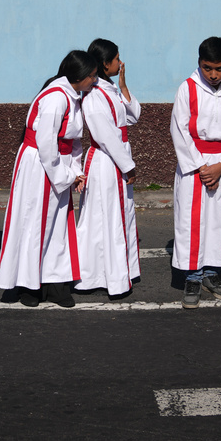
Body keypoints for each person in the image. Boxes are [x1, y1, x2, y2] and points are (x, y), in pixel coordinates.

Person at [0, 50, 96, 307]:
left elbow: (72, 141)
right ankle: (29, 285)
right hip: (40, 165)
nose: (95, 81)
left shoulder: (72, 96)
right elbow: (46, 143)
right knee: (35, 222)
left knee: (58, 225)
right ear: (79, 76)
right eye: (92, 76)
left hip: (56, 166)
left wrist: (75, 171)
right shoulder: (56, 98)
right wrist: (63, 175)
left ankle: (54, 282)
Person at [171, 37, 221, 309]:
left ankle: (212, 272)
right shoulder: (188, 88)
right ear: (199, 64)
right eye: (207, 68)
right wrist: (200, 166)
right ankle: (192, 276)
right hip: (194, 165)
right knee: (192, 221)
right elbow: (179, 129)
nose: (214, 75)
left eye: (219, 68)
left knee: (220, 220)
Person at [75, 39, 141, 297]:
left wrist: (123, 85)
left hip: (117, 155)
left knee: (119, 214)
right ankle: (92, 275)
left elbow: (133, 115)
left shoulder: (111, 88)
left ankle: (119, 271)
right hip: (105, 160)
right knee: (101, 216)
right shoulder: (92, 96)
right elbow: (105, 135)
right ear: (105, 64)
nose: (120, 63)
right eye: (116, 59)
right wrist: (128, 166)